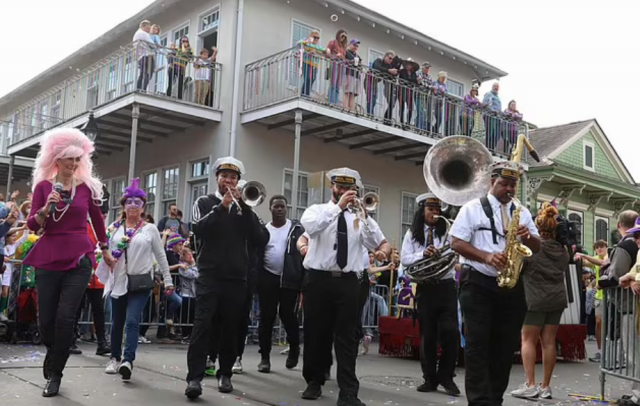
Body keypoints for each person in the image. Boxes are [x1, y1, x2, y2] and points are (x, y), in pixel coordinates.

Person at [23, 128, 113, 397]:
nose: (73, 164)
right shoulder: (42, 188)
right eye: (69, 159)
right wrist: (44, 209)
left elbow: (97, 220)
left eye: (77, 159)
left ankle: (56, 374)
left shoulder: (86, 189)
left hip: (79, 258)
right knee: (46, 322)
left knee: (65, 318)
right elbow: (33, 226)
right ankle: (53, 352)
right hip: (49, 255)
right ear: (56, 159)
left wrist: (105, 249)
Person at [449, 161, 541, 406]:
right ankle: (479, 401)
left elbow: (537, 246)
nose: (509, 189)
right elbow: (456, 242)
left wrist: (528, 237)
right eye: (504, 184)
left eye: (513, 185)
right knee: (478, 344)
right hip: (478, 283)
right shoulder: (472, 208)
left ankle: (495, 399)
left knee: (505, 347)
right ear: (492, 183)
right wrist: (487, 256)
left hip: (511, 285)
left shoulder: (521, 210)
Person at [300, 167, 390, 406]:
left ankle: (348, 391)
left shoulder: (359, 218)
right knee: (315, 333)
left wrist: (365, 217)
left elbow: (378, 242)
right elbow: (311, 228)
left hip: (349, 281)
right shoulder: (318, 210)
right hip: (318, 279)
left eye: (348, 188)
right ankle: (314, 381)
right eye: (339, 187)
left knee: (347, 338)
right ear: (332, 187)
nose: (343, 191)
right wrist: (337, 207)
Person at [184, 157, 269, 399]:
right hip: (210, 275)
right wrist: (222, 207)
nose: (228, 181)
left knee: (232, 328)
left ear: (238, 181)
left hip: (236, 278)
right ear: (217, 179)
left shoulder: (246, 210)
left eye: (233, 178)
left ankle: (225, 374)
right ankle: (194, 379)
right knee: (202, 327)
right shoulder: (204, 202)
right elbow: (199, 228)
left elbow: (261, 238)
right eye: (224, 177)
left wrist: (247, 209)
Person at [97, 179, 174, 380]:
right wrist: (105, 257)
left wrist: (168, 280)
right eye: (128, 202)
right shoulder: (114, 228)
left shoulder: (150, 229)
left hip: (140, 282)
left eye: (137, 203)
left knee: (132, 321)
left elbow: (161, 255)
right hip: (118, 281)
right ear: (123, 206)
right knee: (116, 322)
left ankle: (127, 360)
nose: (132, 206)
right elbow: (102, 249)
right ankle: (114, 358)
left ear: (142, 208)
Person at [401, 193, 460, 396]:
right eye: (431, 209)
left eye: (437, 210)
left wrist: (440, 254)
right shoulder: (412, 235)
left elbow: (454, 252)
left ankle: (446, 376)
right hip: (425, 288)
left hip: (446, 286)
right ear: (422, 211)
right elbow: (405, 260)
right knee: (428, 336)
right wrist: (423, 254)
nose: (435, 213)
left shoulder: (447, 232)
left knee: (451, 333)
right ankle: (429, 378)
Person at [511, 203, 569, 400]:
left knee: (528, 340)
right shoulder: (563, 250)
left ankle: (530, 384)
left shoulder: (533, 247)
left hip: (534, 298)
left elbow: (521, 267)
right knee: (548, 343)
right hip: (557, 298)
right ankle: (546, 386)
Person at [257, 194, 305, 372]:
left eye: (282, 206)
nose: (279, 209)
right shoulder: (264, 229)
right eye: (276, 206)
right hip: (268, 277)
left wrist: (302, 280)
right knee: (266, 317)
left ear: (286, 209)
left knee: (287, 315)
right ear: (270, 208)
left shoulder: (296, 229)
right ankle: (264, 358)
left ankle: (294, 348)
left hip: (289, 278)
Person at [575, 240, 609, 362]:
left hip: (610, 295)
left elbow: (602, 263)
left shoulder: (608, 256)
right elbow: (586, 263)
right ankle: (600, 351)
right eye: (597, 247)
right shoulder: (595, 257)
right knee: (599, 322)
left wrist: (583, 255)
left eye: (602, 247)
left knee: (611, 325)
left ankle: (615, 353)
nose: (599, 249)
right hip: (600, 296)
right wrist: (576, 256)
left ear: (606, 247)